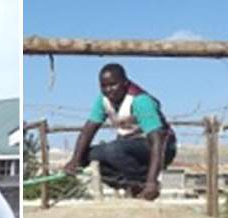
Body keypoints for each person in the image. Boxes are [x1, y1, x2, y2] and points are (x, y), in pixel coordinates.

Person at [63, 63, 176, 200]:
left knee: (113, 150)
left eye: (113, 85)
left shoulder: (140, 101)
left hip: (161, 148)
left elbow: (157, 142)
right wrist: (75, 161)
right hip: (129, 145)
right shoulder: (103, 100)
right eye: (104, 86)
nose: (109, 90)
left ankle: (146, 183)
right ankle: (132, 185)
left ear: (124, 83)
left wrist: (151, 181)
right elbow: (88, 131)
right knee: (89, 155)